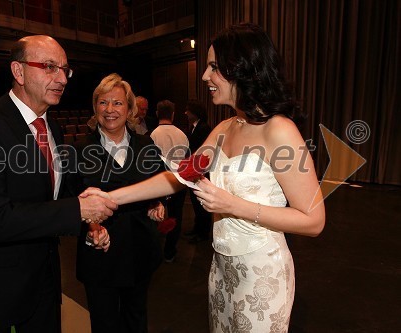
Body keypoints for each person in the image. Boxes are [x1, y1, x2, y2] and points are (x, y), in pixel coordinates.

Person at [84, 23, 326, 332]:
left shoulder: (280, 130)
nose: (204, 76)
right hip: (222, 270)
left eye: (213, 67)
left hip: (262, 274)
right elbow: (180, 176)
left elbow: (314, 220)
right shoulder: (226, 128)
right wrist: (109, 198)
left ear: (239, 68)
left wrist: (234, 205)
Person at [0, 35, 117, 333]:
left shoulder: (52, 128)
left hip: (43, 285)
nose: (61, 78)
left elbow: (53, 195)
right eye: (49, 67)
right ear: (18, 72)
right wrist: (79, 210)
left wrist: (91, 222)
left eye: (65, 70)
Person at [67, 73, 165, 333]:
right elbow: (69, 202)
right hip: (100, 256)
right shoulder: (78, 149)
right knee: (104, 324)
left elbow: (163, 182)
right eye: (103, 102)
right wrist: (90, 225)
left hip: (140, 252)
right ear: (95, 107)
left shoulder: (146, 145)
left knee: (136, 319)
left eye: (118, 103)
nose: (110, 109)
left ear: (130, 109)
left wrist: (158, 202)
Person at [150, 99, 189, 262]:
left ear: (157, 114)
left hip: (159, 182)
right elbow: (187, 160)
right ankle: (170, 251)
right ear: (173, 114)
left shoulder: (153, 135)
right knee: (176, 216)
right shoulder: (182, 134)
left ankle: (155, 251)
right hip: (179, 182)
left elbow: (150, 163)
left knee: (155, 216)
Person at [183, 99, 213, 243]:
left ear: (195, 112)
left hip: (201, 172)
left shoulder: (204, 128)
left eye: (188, 110)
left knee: (202, 203)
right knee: (196, 202)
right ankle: (197, 227)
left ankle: (203, 233)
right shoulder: (193, 127)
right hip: (194, 171)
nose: (186, 113)